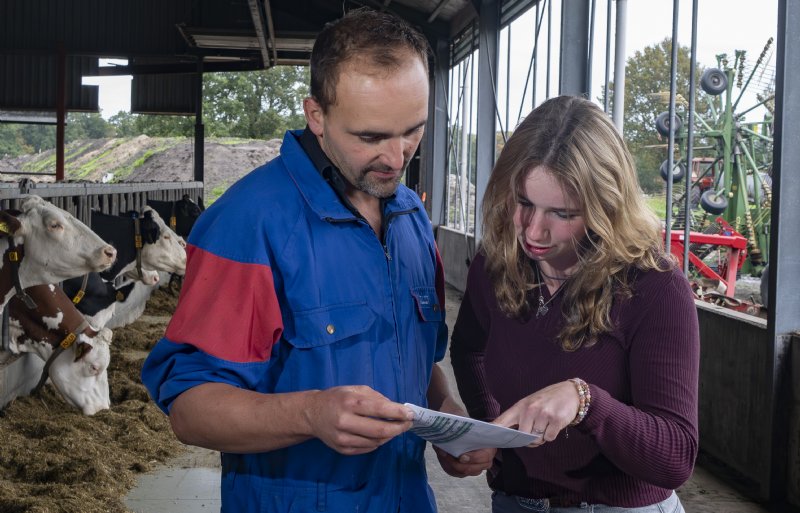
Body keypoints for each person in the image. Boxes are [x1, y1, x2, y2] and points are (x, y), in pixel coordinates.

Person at [141, 8, 489, 513]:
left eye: (412, 130)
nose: (396, 157)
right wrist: (310, 414)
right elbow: (191, 411)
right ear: (317, 116)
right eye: (370, 137)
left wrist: (448, 416)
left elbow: (418, 356)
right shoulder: (247, 225)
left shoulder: (411, 217)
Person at [447, 95, 700, 512]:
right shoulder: (495, 264)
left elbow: (675, 457)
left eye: (562, 213)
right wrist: (492, 432)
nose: (534, 231)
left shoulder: (655, 287)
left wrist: (586, 401)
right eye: (524, 203)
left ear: (607, 208)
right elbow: (469, 349)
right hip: (516, 500)